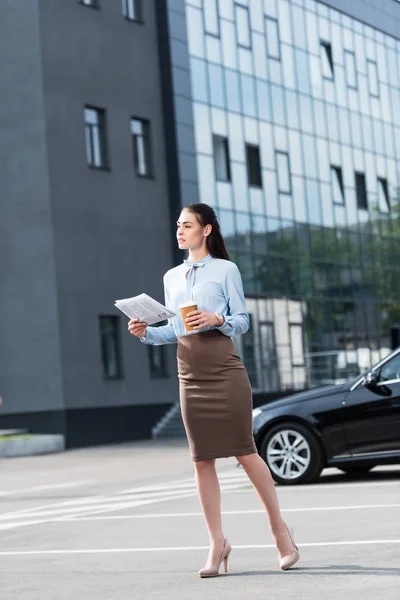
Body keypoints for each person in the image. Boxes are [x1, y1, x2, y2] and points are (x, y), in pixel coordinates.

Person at [128, 203, 299, 578]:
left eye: (187, 225)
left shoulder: (226, 270)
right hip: (189, 371)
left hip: (224, 367)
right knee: (201, 459)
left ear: (205, 230)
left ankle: (279, 532)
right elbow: (173, 330)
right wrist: (145, 333)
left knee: (246, 451)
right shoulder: (171, 276)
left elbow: (242, 321)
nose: (180, 231)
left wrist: (216, 318)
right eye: (178, 225)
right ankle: (217, 543)